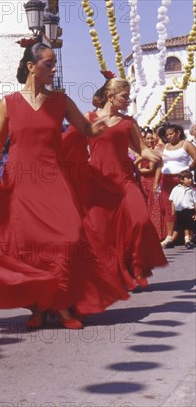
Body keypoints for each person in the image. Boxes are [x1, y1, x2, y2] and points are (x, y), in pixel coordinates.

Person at [0, 42, 128, 330]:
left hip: (53, 179)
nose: (53, 69)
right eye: (48, 64)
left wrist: (102, 125)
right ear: (30, 67)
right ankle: (39, 305)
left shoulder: (61, 101)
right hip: (21, 181)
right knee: (29, 246)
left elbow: (87, 130)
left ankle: (61, 302)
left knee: (69, 236)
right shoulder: (8, 103)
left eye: (54, 64)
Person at [72, 76, 167, 290]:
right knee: (103, 231)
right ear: (110, 97)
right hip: (97, 182)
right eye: (125, 96)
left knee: (141, 220)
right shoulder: (90, 118)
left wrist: (153, 155)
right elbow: (72, 143)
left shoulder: (128, 122)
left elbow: (142, 148)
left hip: (125, 180)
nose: (128, 99)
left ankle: (138, 266)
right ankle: (119, 273)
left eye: (128, 95)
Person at [156, 124, 196, 248]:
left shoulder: (186, 144)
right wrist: (156, 182)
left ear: (178, 133)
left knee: (186, 208)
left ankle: (187, 238)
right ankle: (169, 237)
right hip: (167, 179)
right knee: (169, 208)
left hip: (181, 179)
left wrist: (187, 169)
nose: (168, 136)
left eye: (171, 133)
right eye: (167, 135)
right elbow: (160, 165)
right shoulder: (165, 147)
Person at [136, 128, 166, 240]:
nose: (150, 140)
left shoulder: (154, 151)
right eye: (147, 138)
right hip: (142, 180)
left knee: (154, 206)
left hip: (151, 180)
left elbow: (150, 169)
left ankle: (157, 233)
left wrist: (135, 168)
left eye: (151, 138)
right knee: (145, 206)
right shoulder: (142, 151)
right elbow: (140, 167)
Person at [168, 170, 196, 249]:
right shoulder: (176, 189)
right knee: (178, 226)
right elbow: (172, 200)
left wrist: (195, 213)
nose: (190, 180)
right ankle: (172, 241)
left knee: (189, 226)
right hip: (179, 211)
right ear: (181, 180)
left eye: (191, 178)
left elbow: (195, 202)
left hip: (189, 210)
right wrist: (173, 210)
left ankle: (188, 241)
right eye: (188, 178)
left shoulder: (192, 190)